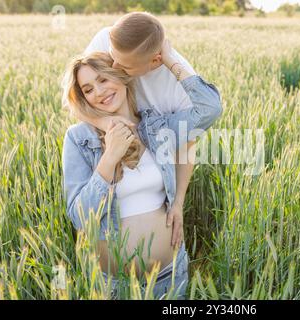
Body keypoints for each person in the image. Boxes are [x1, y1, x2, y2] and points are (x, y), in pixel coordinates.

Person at [61, 48, 222, 299]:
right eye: (88, 89)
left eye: (103, 79)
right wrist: (110, 156)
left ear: (122, 75)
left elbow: (209, 109)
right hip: (113, 287)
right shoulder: (79, 139)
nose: (99, 92)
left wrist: (168, 56)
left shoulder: (157, 127)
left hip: (169, 279)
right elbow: (80, 218)